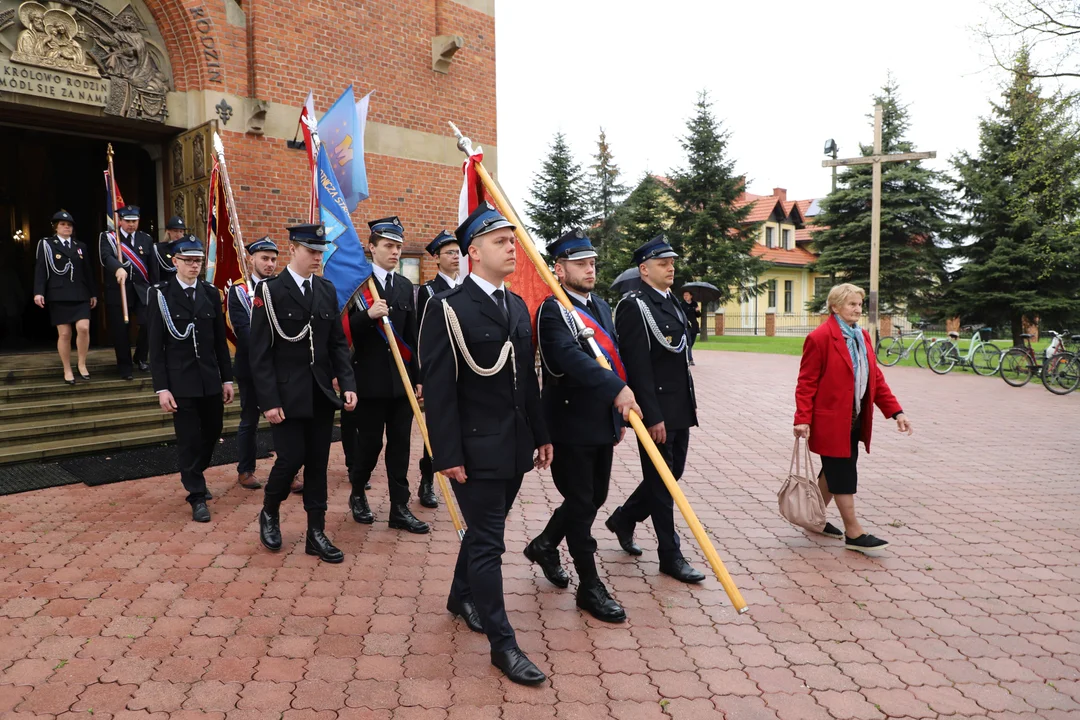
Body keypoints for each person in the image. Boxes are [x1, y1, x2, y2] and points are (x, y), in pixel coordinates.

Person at [419, 201, 552, 686]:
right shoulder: (447, 309)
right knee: (489, 545)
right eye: (500, 241)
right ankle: (504, 645)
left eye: (513, 240)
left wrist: (541, 435)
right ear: (473, 252)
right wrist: (447, 454)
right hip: (473, 453)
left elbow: (527, 381)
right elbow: (439, 389)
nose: (512, 247)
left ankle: (460, 596)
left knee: (480, 535)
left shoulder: (516, 305)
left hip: (515, 447)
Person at [525, 228, 640, 623]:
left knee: (594, 497)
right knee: (580, 503)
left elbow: (612, 358)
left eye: (592, 262)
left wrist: (615, 412)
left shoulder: (602, 307)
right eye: (579, 263)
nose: (589, 269)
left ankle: (544, 544)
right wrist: (617, 391)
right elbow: (565, 360)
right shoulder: (551, 310)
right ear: (558, 269)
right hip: (569, 424)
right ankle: (589, 586)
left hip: (601, 422)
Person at [248, 223, 357, 563]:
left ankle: (316, 532)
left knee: (318, 465)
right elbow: (259, 354)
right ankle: (270, 509)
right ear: (293, 249)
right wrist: (268, 401)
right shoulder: (270, 291)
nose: (317, 257)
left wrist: (348, 382)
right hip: (286, 395)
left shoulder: (326, 290)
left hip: (320, 394)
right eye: (311, 251)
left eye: (320, 251)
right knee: (291, 458)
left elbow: (338, 343)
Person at [605, 235, 706, 584]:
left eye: (672, 262)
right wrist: (653, 415)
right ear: (644, 270)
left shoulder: (673, 301)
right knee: (663, 486)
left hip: (680, 405)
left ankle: (625, 518)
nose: (671, 267)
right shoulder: (635, 305)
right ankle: (670, 555)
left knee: (670, 476)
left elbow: (680, 353)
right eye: (663, 263)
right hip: (658, 409)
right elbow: (637, 365)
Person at [793, 283, 913, 553]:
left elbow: (875, 379)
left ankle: (814, 520)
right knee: (843, 471)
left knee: (834, 470)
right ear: (835, 307)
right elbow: (806, 382)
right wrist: (802, 418)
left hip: (855, 418)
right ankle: (854, 532)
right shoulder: (820, 337)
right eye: (852, 304)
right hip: (830, 420)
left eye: (860, 304)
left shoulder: (862, 336)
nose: (858, 309)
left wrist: (896, 411)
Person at [339, 217, 428, 533]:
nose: (395, 252)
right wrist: (368, 315)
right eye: (388, 246)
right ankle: (358, 491)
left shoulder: (404, 286)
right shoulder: (358, 287)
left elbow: (412, 336)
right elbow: (342, 334)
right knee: (370, 446)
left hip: (400, 384)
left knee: (401, 447)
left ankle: (399, 508)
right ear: (371, 247)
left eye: (398, 247)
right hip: (369, 383)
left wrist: (418, 378)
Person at [147, 235, 234, 522]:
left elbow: (220, 342)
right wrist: (162, 388)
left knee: (212, 431)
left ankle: (195, 473)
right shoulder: (160, 294)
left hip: (209, 378)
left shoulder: (210, 292)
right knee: (187, 439)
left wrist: (227, 379)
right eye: (188, 260)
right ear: (175, 262)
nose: (194, 266)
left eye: (198, 260)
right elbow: (156, 347)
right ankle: (196, 495)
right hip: (180, 380)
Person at [226, 236, 279, 492]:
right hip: (251, 366)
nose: (269, 264)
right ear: (252, 259)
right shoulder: (238, 291)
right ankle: (245, 470)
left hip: (280, 366)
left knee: (283, 418)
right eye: (264, 258)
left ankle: (287, 470)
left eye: (273, 259)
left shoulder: (280, 286)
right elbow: (243, 332)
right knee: (250, 419)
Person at [413, 229, 460, 509]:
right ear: (436, 258)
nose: (455, 257)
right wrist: (422, 377)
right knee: (436, 428)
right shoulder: (429, 292)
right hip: (439, 371)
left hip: (463, 371)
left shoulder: (465, 286)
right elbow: (422, 339)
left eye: (457, 252)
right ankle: (427, 480)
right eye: (449, 253)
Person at [33, 210, 98, 384]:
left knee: (83, 328)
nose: (66, 227)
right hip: (59, 293)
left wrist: (93, 293)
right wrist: (38, 291)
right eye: (62, 224)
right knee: (65, 333)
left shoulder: (80, 246)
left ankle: (82, 364)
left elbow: (87, 271)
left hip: (80, 293)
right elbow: (40, 268)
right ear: (56, 227)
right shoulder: (47, 244)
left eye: (69, 225)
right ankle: (67, 368)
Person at [100, 205, 158, 380]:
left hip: (142, 290)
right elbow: (105, 256)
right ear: (120, 221)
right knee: (121, 330)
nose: (131, 225)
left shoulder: (145, 239)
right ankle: (124, 366)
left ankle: (140, 357)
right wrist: (117, 268)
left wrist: (156, 289)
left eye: (134, 221)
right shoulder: (108, 238)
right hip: (119, 290)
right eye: (128, 221)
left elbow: (152, 265)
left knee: (149, 323)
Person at [681, 290, 700, 366]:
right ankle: (690, 359)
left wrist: (698, 311)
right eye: (684, 295)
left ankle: (686, 355)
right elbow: (684, 312)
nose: (685, 296)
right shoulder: (682, 304)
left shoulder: (694, 303)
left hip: (694, 325)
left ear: (691, 296)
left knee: (691, 343)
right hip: (687, 325)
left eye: (687, 295)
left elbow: (698, 315)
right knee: (688, 342)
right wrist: (693, 309)